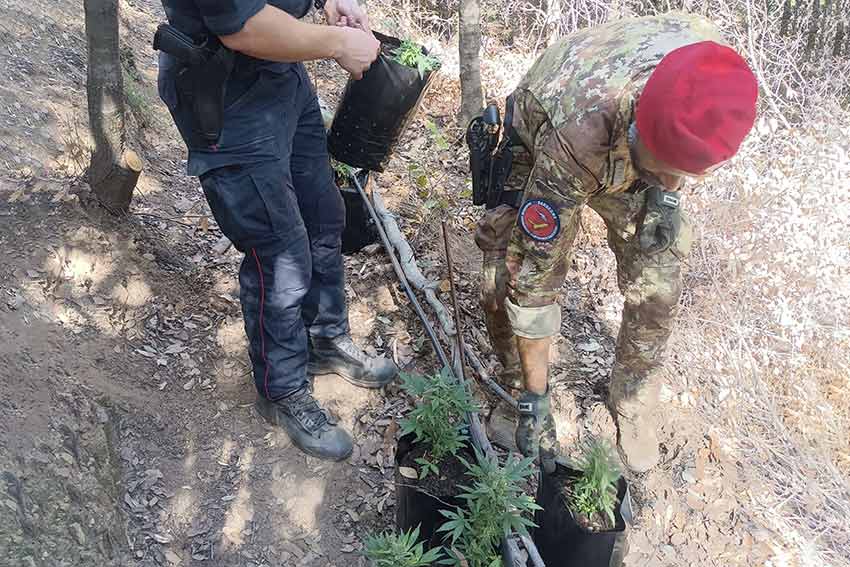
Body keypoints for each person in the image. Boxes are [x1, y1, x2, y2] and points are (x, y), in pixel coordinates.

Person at [475, 13, 758, 472]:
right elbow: (535, 287)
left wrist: (665, 195)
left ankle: (632, 403)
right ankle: (518, 396)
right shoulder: (576, 139)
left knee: (659, 279)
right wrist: (536, 394)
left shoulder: (713, 78)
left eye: (684, 173)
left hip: (631, 143)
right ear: (639, 132)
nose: (671, 180)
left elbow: (675, 158)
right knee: (506, 277)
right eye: (664, 167)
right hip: (548, 128)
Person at [156, 0, 398, 461]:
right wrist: (338, 44)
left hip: (281, 76)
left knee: (323, 215)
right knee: (279, 250)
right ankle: (282, 389)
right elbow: (241, 25)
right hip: (224, 90)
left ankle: (325, 338)